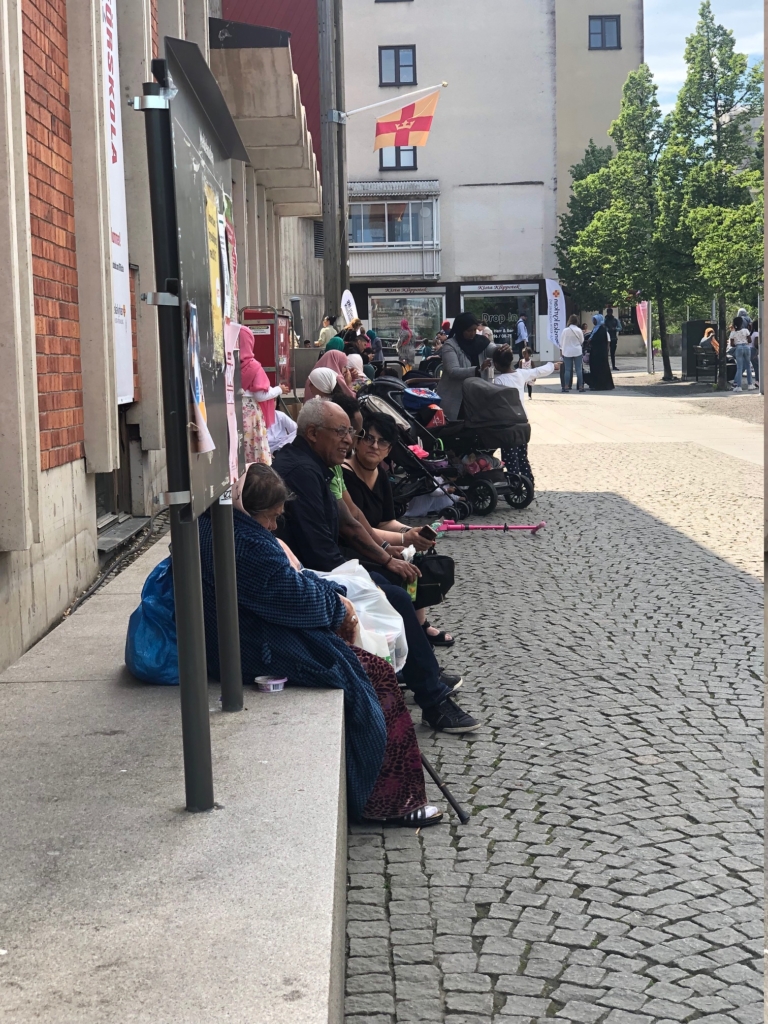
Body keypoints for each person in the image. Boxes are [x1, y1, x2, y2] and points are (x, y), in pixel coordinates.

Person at [197, 464, 442, 826]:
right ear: (252, 510)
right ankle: (385, 799)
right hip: (254, 644)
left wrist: (334, 596)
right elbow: (295, 598)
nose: (275, 526)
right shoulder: (246, 544)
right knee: (370, 673)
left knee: (369, 663)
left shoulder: (231, 527)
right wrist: (336, 603)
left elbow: (290, 585)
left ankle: (392, 788)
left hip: (248, 633)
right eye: (272, 518)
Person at [273, 398, 480, 734]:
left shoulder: (318, 466)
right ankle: (433, 698)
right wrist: (376, 565)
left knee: (398, 583)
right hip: (311, 575)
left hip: (323, 564)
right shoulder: (301, 471)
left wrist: (387, 553)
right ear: (312, 433)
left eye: (351, 432)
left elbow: (351, 522)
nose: (349, 440)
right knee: (393, 595)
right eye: (342, 432)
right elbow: (321, 550)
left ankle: (423, 676)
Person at [342, 408, 457, 647]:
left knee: (415, 556)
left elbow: (386, 521)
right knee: (403, 567)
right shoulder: (345, 474)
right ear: (358, 440)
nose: (374, 446)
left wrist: (409, 532)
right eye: (369, 439)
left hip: (377, 540)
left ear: (389, 450)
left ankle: (420, 623)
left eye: (382, 441)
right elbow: (358, 527)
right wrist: (405, 539)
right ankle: (412, 630)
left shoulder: (380, 475)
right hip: (355, 546)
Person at [238, 324, 290, 464]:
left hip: (233, 411)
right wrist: (279, 389)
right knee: (253, 452)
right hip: (250, 414)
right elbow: (260, 395)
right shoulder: (253, 366)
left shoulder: (229, 365)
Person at [436, 311, 497, 420]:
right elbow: (453, 371)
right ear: (461, 329)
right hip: (457, 401)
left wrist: (501, 350)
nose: (472, 333)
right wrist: (478, 370)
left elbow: (491, 349)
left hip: (477, 398)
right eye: (469, 330)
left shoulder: (480, 342)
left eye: (474, 330)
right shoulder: (450, 345)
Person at [582, 314, 614, 391]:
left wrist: (591, 340)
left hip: (600, 353)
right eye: (593, 320)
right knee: (594, 368)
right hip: (595, 352)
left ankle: (602, 385)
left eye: (595, 320)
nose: (593, 321)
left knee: (601, 369)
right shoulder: (595, 329)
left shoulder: (602, 329)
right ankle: (595, 384)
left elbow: (600, 340)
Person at [559, 314, 585, 392]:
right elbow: (582, 341)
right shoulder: (579, 330)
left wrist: (562, 351)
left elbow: (561, 342)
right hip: (577, 351)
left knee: (567, 370)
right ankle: (581, 386)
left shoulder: (565, 330)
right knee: (579, 369)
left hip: (567, 351)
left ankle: (566, 386)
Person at [730, 315, 756, 392]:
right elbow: (750, 341)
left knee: (739, 368)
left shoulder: (733, 333)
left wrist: (738, 343)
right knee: (748, 367)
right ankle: (750, 385)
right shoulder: (745, 330)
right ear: (742, 323)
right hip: (746, 347)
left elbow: (732, 344)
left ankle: (738, 386)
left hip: (738, 348)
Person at [604, 307, 622, 371]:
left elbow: (620, 328)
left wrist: (615, 329)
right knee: (606, 353)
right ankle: (606, 366)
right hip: (607, 338)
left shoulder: (615, 320)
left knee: (612, 353)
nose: (609, 313)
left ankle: (613, 366)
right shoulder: (605, 320)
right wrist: (607, 329)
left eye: (610, 312)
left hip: (613, 338)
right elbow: (603, 327)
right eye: (608, 312)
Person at [750, 319, 759, 383]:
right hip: (753, 351)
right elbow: (756, 344)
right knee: (757, 366)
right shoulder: (756, 334)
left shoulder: (752, 333)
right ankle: (757, 381)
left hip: (749, 350)